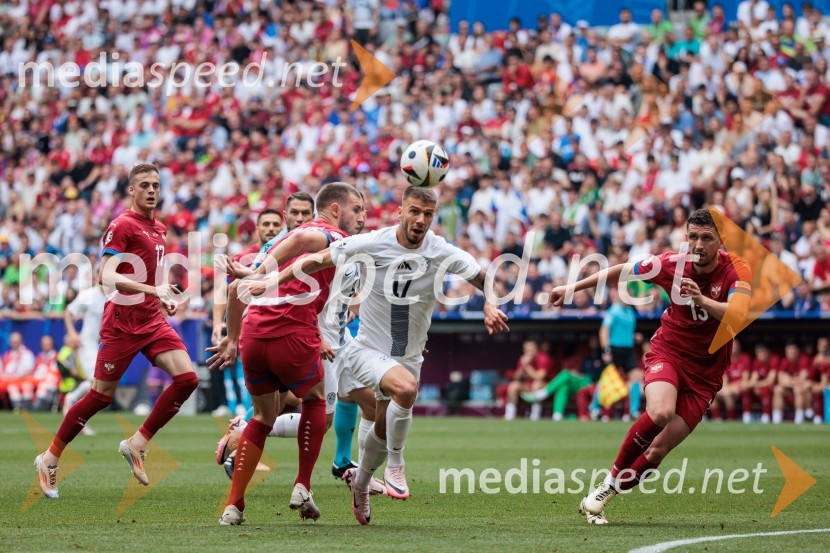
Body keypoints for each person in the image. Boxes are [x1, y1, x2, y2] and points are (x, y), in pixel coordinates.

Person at [271, 186, 510, 525]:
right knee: (406, 389)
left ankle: (361, 484)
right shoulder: (373, 242)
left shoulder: (440, 250)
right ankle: (397, 464)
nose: (420, 220)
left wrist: (490, 304)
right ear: (400, 212)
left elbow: (485, 278)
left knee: (382, 423)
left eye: (427, 214)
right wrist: (267, 279)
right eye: (414, 211)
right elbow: (316, 260)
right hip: (367, 350)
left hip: (409, 355)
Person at [550, 208, 752, 524]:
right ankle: (608, 482)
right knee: (660, 412)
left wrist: (701, 300)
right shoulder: (671, 264)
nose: (698, 245)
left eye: (707, 238)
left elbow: (738, 315)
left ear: (721, 240)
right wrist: (571, 288)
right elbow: (622, 270)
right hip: (670, 352)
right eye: (693, 237)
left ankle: (604, 492)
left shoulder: (738, 270)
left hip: (706, 373)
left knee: (657, 452)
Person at [34, 163, 198, 499]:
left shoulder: (160, 229)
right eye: (144, 185)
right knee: (100, 396)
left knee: (188, 379)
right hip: (122, 322)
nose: (151, 190)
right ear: (131, 190)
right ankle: (49, 458)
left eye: (156, 185)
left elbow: (148, 276)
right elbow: (106, 276)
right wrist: (153, 290)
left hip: (151, 320)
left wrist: (160, 296)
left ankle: (137, 443)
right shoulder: (122, 224)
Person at [208, 182, 366, 525]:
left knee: (263, 417)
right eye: (357, 209)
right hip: (293, 331)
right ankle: (303, 485)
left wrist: (232, 339)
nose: (362, 217)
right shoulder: (328, 234)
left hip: (254, 334)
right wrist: (259, 274)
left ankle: (233, 507)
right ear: (335, 210)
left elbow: (236, 289)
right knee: (317, 402)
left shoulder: (274, 243)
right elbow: (301, 240)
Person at [211, 209, 283, 418]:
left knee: (285, 398)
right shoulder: (244, 257)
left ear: (282, 227)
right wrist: (217, 322)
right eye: (266, 224)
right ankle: (244, 424)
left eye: (275, 224)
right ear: (257, 228)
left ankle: (245, 425)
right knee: (266, 395)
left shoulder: (288, 253)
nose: (271, 229)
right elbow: (223, 291)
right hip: (251, 329)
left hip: (280, 327)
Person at [63, 278, 107, 435]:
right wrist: (72, 333)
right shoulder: (89, 295)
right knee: (95, 381)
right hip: (87, 344)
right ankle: (74, 405)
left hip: (102, 345)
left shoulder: (115, 296)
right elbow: (68, 311)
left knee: (99, 384)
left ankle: (73, 401)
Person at [504, 339, 551, 421]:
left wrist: (526, 366)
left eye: (531, 350)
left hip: (546, 387)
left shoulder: (543, 358)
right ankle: (509, 415)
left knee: (536, 385)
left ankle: (535, 415)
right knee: (513, 386)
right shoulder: (523, 360)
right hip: (528, 386)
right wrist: (523, 366)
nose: (529, 353)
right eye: (527, 350)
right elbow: (516, 377)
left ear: (536, 349)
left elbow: (539, 377)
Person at [712, 339, 751, 422]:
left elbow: (745, 379)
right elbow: (725, 378)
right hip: (730, 388)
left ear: (739, 347)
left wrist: (730, 387)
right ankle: (717, 419)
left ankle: (731, 419)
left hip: (741, 386)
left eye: (736, 345)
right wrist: (724, 388)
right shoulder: (727, 359)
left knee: (727, 394)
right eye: (733, 345)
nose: (734, 347)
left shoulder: (744, 358)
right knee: (712, 394)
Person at [1, 332, 36, 410]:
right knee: (11, 386)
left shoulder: (27, 354)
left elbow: (28, 372)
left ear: (21, 341)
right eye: (13, 342)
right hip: (9, 381)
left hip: (22, 380)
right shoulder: (8, 354)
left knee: (24, 386)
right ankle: (16, 407)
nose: (14, 344)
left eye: (16, 342)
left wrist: (14, 377)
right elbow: (4, 370)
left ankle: (24, 407)